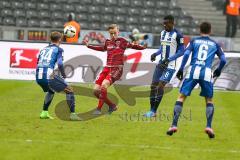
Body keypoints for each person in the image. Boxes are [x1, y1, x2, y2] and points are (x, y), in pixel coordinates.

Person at [166, 22, 227, 138]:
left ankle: (173, 125)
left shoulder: (194, 41)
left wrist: (180, 69)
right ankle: (208, 126)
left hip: (193, 71)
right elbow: (223, 60)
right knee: (209, 100)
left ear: (200, 30)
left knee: (181, 97)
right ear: (210, 30)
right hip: (206, 72)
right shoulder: (215, 43)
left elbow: (185, 55)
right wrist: (218, 70)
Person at [83, 24, 147, 115]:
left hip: (117, 68)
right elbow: (102, 48)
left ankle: (98, 109)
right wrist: (89, 46)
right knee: (96, 91)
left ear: (118, 32)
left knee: (104, 85)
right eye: (111, 33)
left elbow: (133, 46)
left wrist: (143, 47)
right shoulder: (108, 41)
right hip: (107, 68)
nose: (113, 35)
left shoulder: (122, 41)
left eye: (114, 33)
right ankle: (112, 106)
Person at [143, 15, 185, 117]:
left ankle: (153, 111)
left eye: (166, 23)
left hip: (170, 66)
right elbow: (162, 48)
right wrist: (155, 54)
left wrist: (169, 59)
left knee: (161, 85)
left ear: (172, 23)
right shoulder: (162, 33)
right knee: (153, 85)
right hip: (161, 63)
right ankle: (151, 111)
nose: (164, 25)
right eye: (164, 23)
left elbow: (181, 51)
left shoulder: (178, 35)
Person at [36, 31, 81, 120]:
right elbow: (60, 64)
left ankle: (44, 112)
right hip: (48, 75)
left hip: (38, 76)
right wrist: (64, 75)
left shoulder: (43, 49)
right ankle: (73, 115)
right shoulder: (59, 49)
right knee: (69, 90)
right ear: (60, 39)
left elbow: (38, 62)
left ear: (50, 39)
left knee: (51, 91)